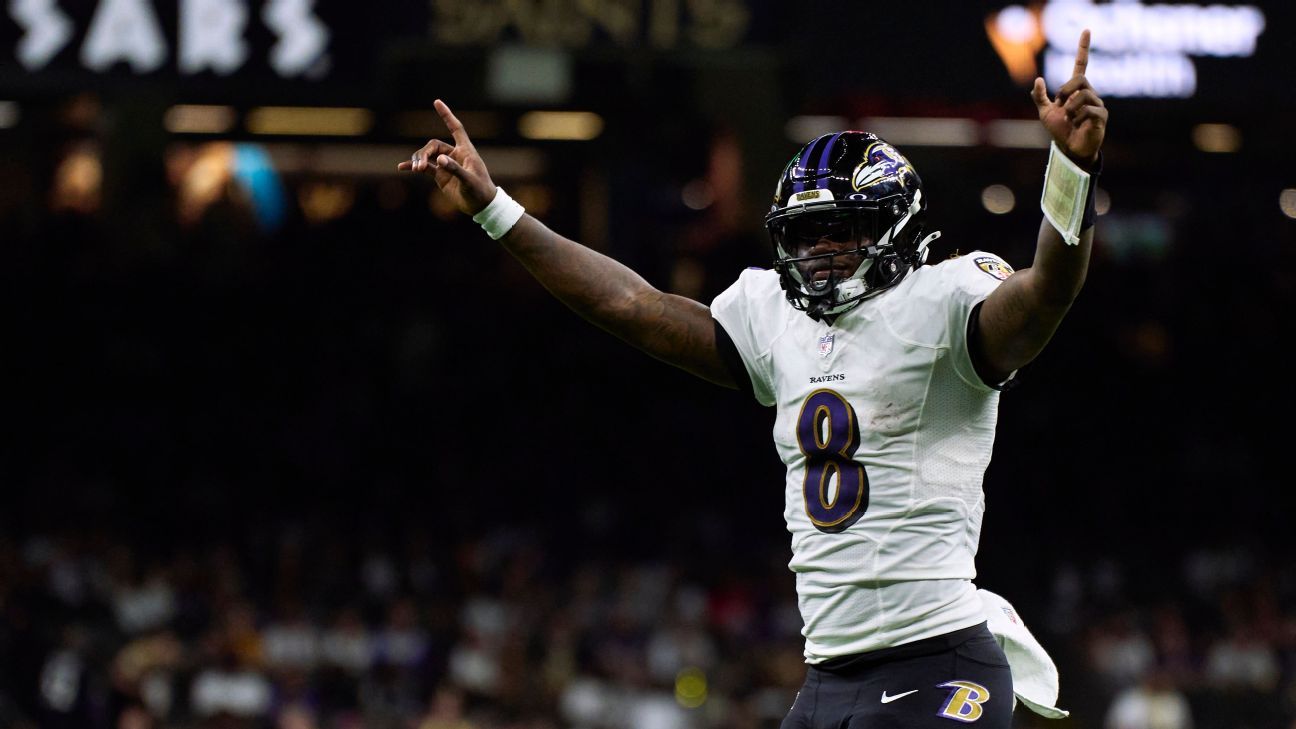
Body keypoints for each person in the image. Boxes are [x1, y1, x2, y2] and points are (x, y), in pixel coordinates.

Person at [400, 30, 1106, 729]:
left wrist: (1071, 171)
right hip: (829, 673)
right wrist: (499, 212)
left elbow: (1046, 293)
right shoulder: (775, 315)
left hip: (937, 657)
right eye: (805, 234)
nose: (819, 252)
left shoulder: (945, 301)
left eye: (841, 230)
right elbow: (633, 306)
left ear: (895, 229)